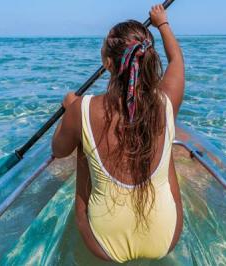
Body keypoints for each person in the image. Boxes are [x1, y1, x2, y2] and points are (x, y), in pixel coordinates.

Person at [52, 4, 185, 263]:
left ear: (108, 63)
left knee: (83, 142)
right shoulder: (167, 101)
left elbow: (58, 151)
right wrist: (162, 23)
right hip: (167, 236)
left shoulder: (83, 109)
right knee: (165, 134)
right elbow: (176, 60)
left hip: (102, 244)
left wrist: (71, 110)